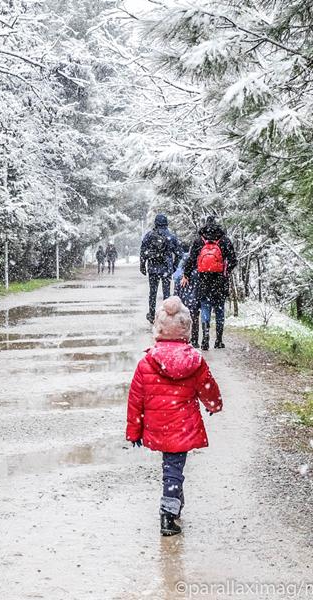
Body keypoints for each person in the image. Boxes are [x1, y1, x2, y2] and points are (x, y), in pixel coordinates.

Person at [126, 296, 222, 536]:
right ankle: (168, 514)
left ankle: (174, 499)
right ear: (186, 330)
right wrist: (214, 404)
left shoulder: (147, 362)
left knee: (170, 467)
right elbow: (207, 387)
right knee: (173, 468)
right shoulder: (194, 361)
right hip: (183, 425)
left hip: (158, 425)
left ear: (158, 329)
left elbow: (135, 400)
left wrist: (134, 430)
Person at [181, 216, 238, 350]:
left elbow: (191, 259)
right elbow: (233, 260)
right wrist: (226, 271)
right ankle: (218, 340)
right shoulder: (224, 240)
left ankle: (205, 338)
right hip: (220, 280)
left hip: (203, 280)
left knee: (205, 306)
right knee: (219, 309)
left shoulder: (199, 240)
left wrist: (186, 274)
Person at [140, 214, 183, 323]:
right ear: (166, 223)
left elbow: (143, 251)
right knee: (167, 293)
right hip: (166, 268)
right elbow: (179, 253)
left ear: (156, 223)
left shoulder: (149, 235)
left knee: (152, 293)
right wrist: (174, 266)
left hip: (153, 268)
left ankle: (151, 314)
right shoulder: (171, 236)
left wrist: (142, 265)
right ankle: (166, 315)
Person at [172, 251, 200, 346]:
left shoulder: (179, 274)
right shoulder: (198, 273)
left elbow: (176, 290)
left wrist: (176, 299)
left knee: (183, 321)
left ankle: (184, 339)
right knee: (195, 318)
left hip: (183, 301)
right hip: (195, 300)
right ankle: (195, 340)